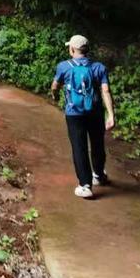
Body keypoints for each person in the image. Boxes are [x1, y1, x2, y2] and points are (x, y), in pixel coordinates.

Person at [50, 34, 115, 199]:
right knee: (97, 144)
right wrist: (111, 115)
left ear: (72, 49)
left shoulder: (64, 67)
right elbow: (106, 91)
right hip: (95, 113)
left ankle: (85, 185)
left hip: (74, 114)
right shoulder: (99, 67)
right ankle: (98, 175)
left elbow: (55, 86)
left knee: (79, 147)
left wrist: (55, 95)